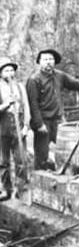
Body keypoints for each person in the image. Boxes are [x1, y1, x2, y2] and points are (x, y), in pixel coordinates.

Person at [26, 49, 79, 170]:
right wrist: (39, 124)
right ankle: (41, 179)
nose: (48, 62)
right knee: (42, 153)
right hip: (43, 121)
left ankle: (63, 173)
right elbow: (33, 104)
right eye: (45, 59)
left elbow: (75, 84)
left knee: (65, 149)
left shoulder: (59, 76)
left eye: (51, 59)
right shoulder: (34, 80)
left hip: (59, 119)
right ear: (39, 62)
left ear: (54, 61)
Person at [0, 58, 30, 199]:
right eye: (6, 70)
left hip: (18, 126)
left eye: (11, 70)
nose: (10, 73)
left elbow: (26, 107)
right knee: (3, 161)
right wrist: (6, 104)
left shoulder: (19, 86)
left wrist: (26, 126)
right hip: (2, 128)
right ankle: (6, 189)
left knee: (20, 159)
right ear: (0, 73)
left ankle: (22, 188)